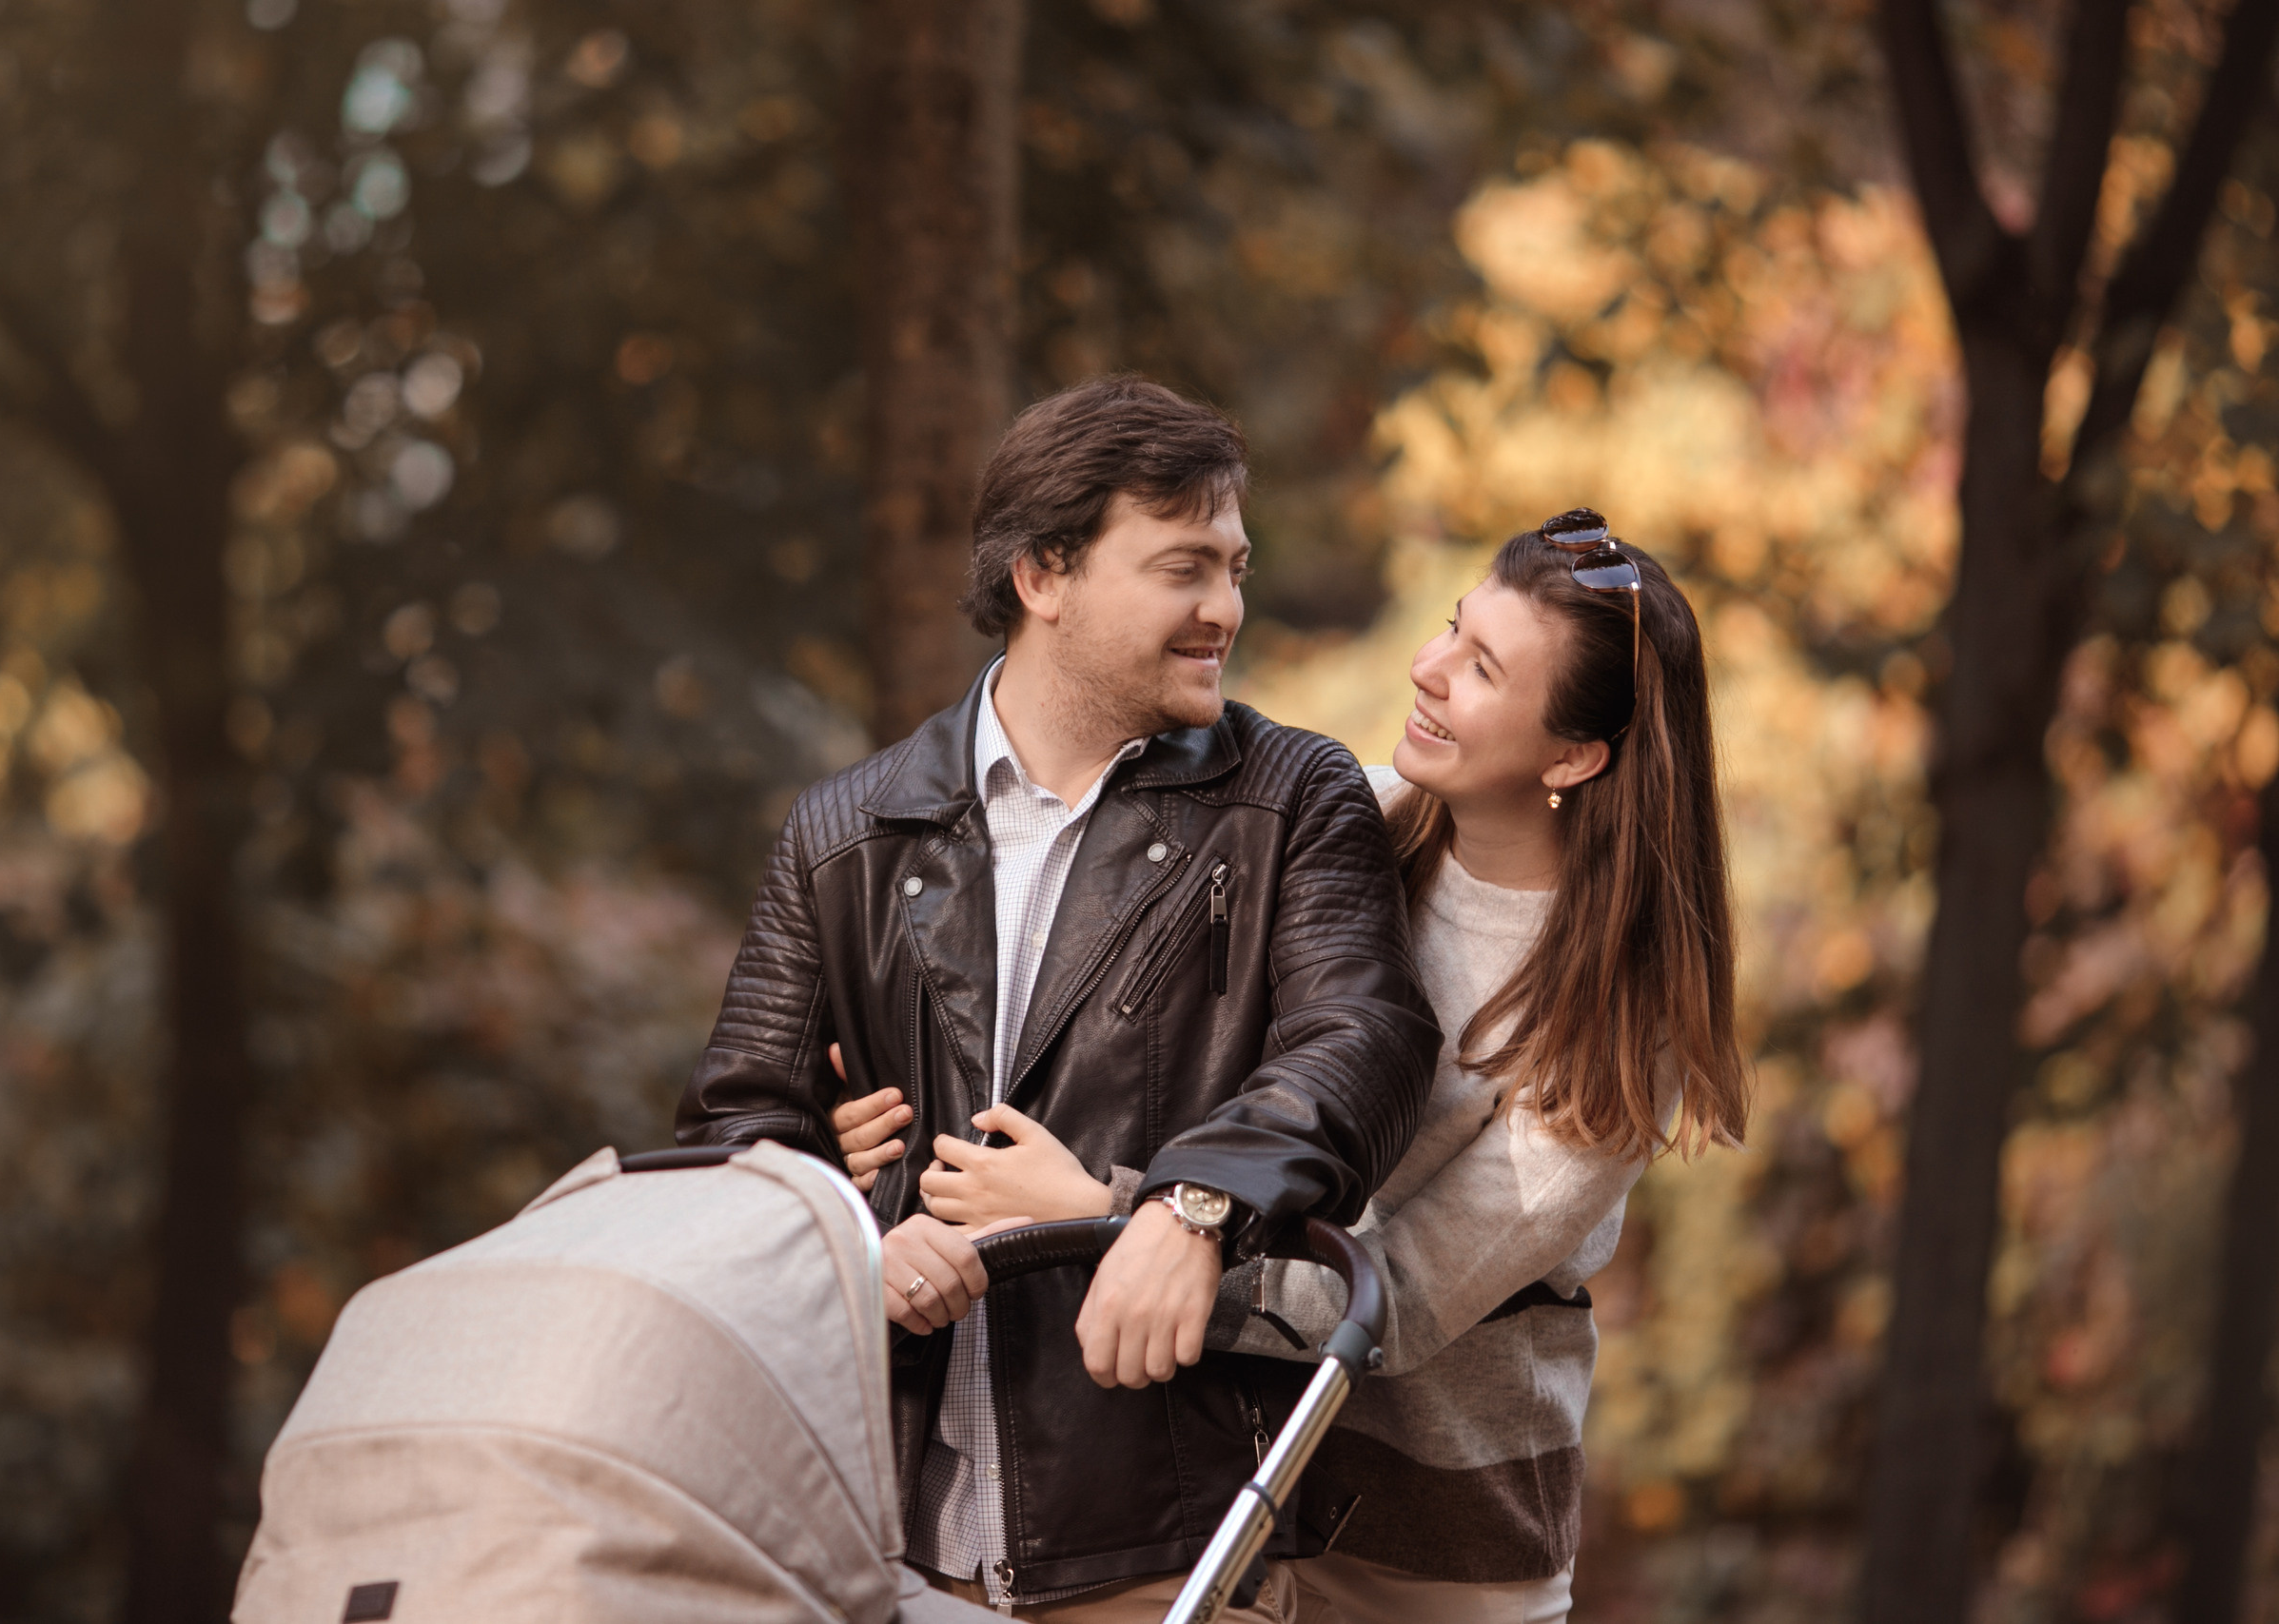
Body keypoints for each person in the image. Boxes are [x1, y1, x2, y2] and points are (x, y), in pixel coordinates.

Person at [836, 509, 1750, 1622]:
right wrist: (872, 1117)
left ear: (1572, 754)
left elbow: (1400, 1301)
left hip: (1427, 1544)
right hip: (1210, 1475)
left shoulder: (1613, 1023)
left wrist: (1104, 1213)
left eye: (1481, 668)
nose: (1429, 670)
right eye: (1453, 630)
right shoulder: (1336, 823)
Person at [676, 373, 1440, 1621]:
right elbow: (732, 1139)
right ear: (1045, 575)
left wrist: (1193, 1204)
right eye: (1185, 566)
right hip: (885, 1547)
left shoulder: (1294, 796)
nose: (1225, 609)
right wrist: (853, 1243)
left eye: (1236, 569)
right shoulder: (840, 834)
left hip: (1170, 1547)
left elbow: (1364, 1037)